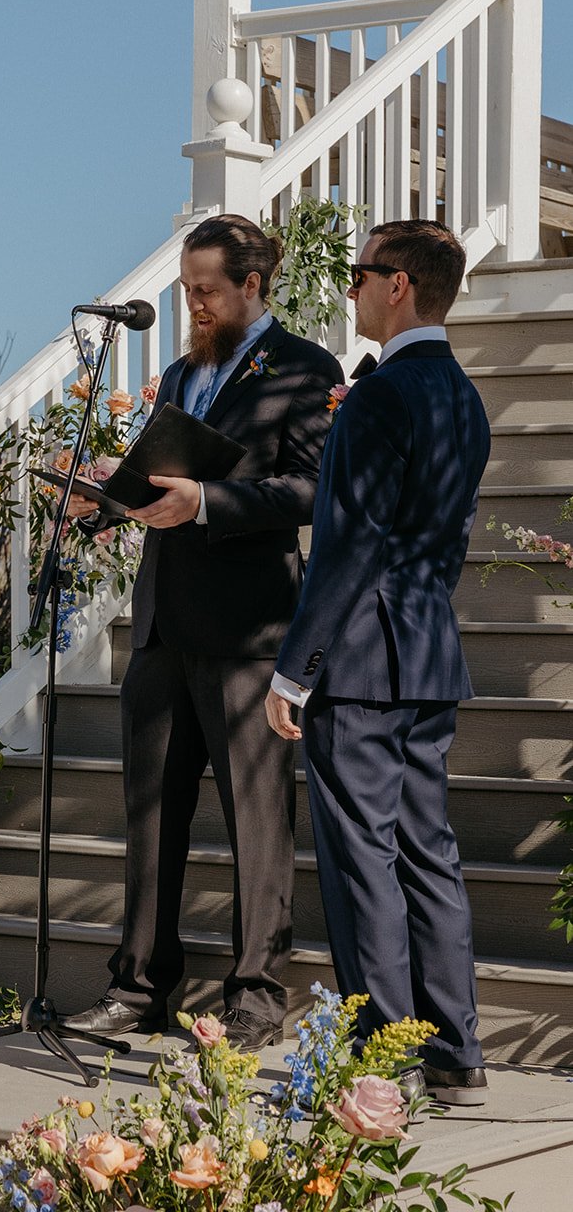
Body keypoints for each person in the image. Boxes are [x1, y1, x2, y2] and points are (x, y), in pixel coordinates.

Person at [63, 214, 341, 1051]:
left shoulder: (305, 369)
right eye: (187, 289)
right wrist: (105, 495)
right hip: (161, 623)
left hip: (251, 627)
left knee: (257, 822)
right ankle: (140, 986)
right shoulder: (183, 373)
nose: (194, 303)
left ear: (252, 286)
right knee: (150, 817)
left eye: (207, 291)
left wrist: (211, 502)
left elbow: (315, 491)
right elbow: (160, 480)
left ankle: (256, 992)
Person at [266, 219, 490, 1106]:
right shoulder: (463, 396)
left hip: (359, 660)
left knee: (363, 859)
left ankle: (377, 1058)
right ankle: (454, 1052)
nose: (350, 290)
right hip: (429, 654)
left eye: (360, 274)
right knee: (427, 854)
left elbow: (348, 546)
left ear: (397, 285)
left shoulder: (379, 396)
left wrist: (295, 667)